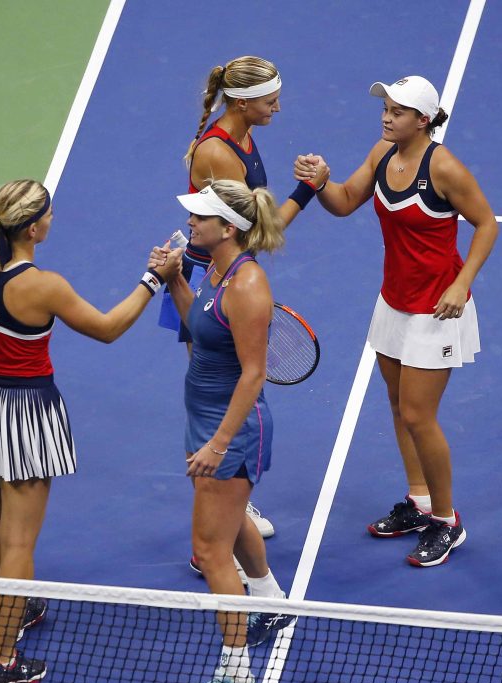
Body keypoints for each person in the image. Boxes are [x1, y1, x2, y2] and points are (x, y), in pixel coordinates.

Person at [0, 179, 181, 683]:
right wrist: (153, 279)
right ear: (32, 227)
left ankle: (12, 608)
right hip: (24, 416)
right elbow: (109, 328)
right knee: (19, 541)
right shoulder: (45, 286)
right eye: (48, 213)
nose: (52, 218)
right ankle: (3, 661)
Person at [295, 75, 498, 567]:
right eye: (385, 109)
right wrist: (321, 182)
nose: (387, 117)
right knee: (395, 403)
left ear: (423, 120)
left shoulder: (444, 167)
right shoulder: (383, 153)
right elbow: (343, 203)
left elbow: (487, 224)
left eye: (398, 112)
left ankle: (447, 521)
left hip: (437, 308)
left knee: (418, 415)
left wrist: (460, 282)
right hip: (393, 303)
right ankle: (420, 501)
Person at [160, 54, 327, 551]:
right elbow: (251, 236)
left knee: (226, 386)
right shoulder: (219, 154)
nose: (278, 108)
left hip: (221, 275)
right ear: (241, 101)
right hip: (203, 283)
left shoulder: (244, 136)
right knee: (219, 389)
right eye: (270, 101)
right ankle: (221, 515)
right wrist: (307, 191)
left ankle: (227, 498)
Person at [157, 180, 297, 683]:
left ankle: (237, 677)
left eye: (200, 218)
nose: (191, 223)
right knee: (228, 522)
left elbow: (254, 374)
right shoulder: (214, 272)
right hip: (205, 420)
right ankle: (268, 599)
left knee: (211, 551)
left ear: (229, 228)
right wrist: (173, 283)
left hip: (230, 430)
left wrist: (219, 444)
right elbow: (199, 327)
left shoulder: (248, 285)